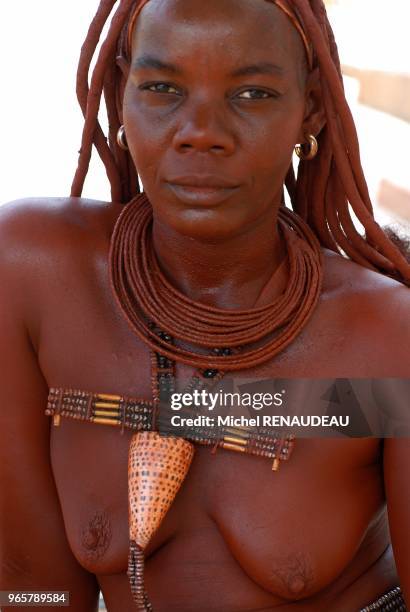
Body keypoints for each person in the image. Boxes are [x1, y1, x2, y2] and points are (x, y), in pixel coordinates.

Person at [1, 0, 409, 610]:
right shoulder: (35, 277)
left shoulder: (384, 338)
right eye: (163, 87)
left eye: (252, 95)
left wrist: (213, 408)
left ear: (312, 109)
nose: (202, 132)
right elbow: (35, 593)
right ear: (120, 91)